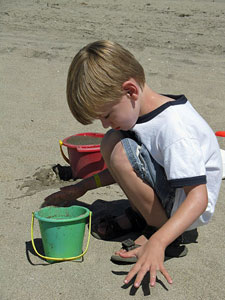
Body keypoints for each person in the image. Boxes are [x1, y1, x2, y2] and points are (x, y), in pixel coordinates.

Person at [45, 40, 222, 288]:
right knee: (111, 141)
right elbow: (131, 167)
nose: (105, 123)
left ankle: (160, 231)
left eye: (106, 115)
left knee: (117, 148)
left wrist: (158, 242)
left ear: (130, 91)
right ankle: (144, 216)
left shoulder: (173, 128)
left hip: (187, 208)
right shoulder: (140, 114)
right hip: (173, 194)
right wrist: (83, 186)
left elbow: (199, 199)